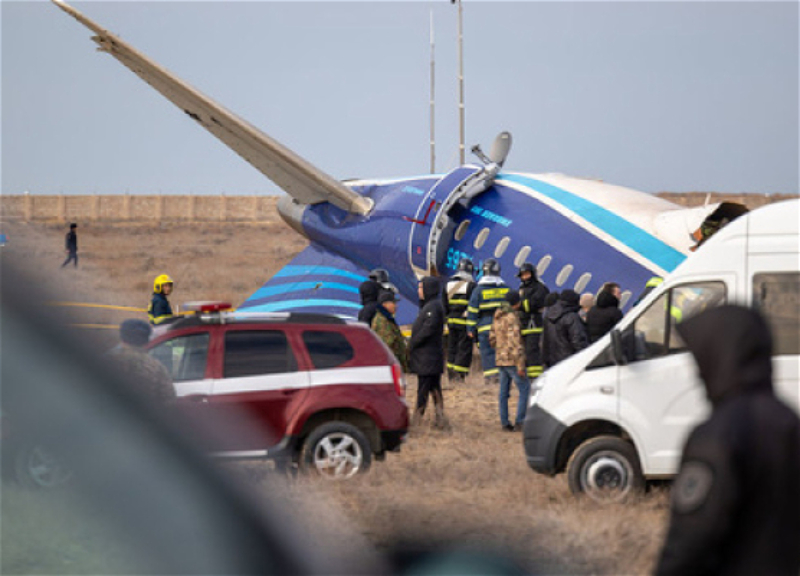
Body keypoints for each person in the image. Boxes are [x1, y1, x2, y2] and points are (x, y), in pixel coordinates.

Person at [655, 305, 800, 576]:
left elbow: (691, 539)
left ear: (719, 356)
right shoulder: (788, 420)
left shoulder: (717, 434)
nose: (697, 373)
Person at [408, 276, 448, 429]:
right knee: (433, 389)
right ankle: (440, 419)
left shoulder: (433, 308)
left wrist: (413, 342)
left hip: (428, 358)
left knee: (423, 390)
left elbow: (428, 330)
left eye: (420, 288)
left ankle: (417, 421)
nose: (419, 291)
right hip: (426, 358)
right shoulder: (428, 306)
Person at [489, 291, 530, 432]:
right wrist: (520, 364)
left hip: (500, 359)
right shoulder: (512, 318)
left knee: (503, 392)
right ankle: (520, 421)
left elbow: (492, 338)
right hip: (512, 360)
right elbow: (516, 342)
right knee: (525, 389)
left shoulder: (497, 316)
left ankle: (505, 423)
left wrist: (500, 348)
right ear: (516, 303)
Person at [108, 319, 175, 402]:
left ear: (122, 337)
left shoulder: (108, 361)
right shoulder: (156, 367)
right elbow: (168, 398)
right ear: (146, 341)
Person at [466, 259, 509, 384]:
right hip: (502, 326)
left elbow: (472, 311)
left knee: (487, 353)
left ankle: (491, 378)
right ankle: (503, 377)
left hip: (485, 327)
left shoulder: (478, 290)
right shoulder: (506, 289)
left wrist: (470, 329)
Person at [443, 258, 476, 381]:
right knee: (464, 349)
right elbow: (474, 304)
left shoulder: (447, 285)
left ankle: (451, 374)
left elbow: (444, 304)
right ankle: (459, 375)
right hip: (464, 323)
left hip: (451, 322)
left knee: (452, 347)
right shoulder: (471, 286)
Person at [517, 262, 549, 380]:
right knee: (523, 351)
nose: (525, 277)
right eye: (523, 275)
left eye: (527, 274)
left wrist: (520, 305)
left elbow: (533, 304)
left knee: (532, 351)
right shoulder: (522, 288)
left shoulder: (540, 288)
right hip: (523, 324)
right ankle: (525, 375)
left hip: (533, 324)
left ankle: (535, 377)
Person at [541, 289, 588, 368]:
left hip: (553, 362)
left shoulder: (548, 317)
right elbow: (578, 340)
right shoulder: (572, 317)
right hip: (570, 362)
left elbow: (545, 341)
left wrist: (545, 361)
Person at [371, 291, 409, 373]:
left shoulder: (387, 319)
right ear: (385, 304)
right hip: (390, 368)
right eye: (393, 303)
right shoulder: (383, 321)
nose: (396, 306)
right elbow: (387, 346)